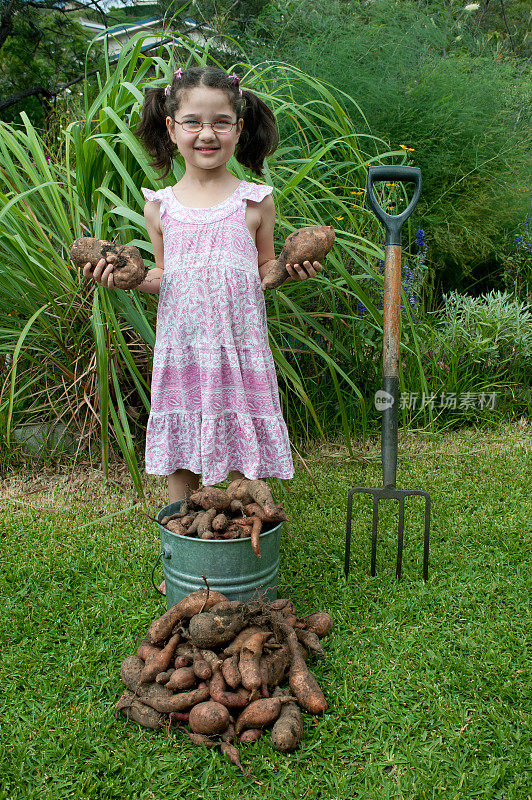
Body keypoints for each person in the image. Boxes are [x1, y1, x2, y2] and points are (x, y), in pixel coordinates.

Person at [83, 65, 323, 505]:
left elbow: (264, 267)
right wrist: (126, 277)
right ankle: (181, 556)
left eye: (220, 123)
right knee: (181, 460)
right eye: (193, 123)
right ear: (172, 128)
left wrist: (289, 268)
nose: (207, 134)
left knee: (237, 455)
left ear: (239, 128)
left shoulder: (255, 200)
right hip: (185, 350)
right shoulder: (161, 207)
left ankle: (235, 551)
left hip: (237, 348)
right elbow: (163, 275)